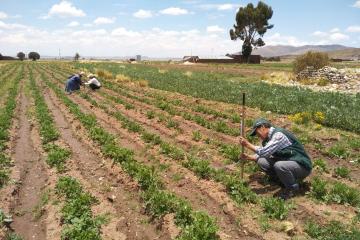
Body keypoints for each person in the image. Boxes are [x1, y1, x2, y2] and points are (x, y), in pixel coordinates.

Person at [239, 118, 312, 200]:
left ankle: (292, 188)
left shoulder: (278, 135)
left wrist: (247, 144)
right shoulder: (268, 139)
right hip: (289, 164)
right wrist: (250, 157)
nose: (258, 136)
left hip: (302, 166)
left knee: (279, 165)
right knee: (261, 161)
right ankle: (280, 180)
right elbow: (265, 152)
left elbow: (264, 152)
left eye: (257, 133)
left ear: (262, 127)